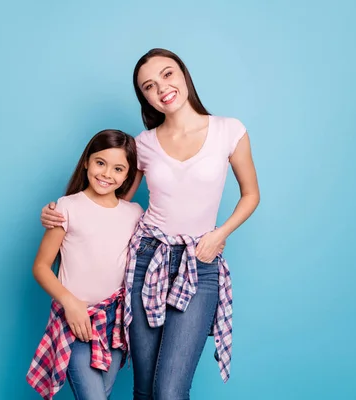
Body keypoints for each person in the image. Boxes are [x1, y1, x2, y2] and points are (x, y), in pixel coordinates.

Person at [39, 48, 260, 399]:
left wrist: (221, 234)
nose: (162, 88)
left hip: (199, 264)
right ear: (145, 97)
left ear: (184, 74)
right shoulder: (144, 144)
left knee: (169, 390)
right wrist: (60, 215)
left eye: (168, 75)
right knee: (144, 388)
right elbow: (112, 202)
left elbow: (251, 195)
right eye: (149, 86)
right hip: (146, 261)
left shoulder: (228, 130)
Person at [26, 129, 145, 400]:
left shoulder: (134, 214)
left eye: (118, 169)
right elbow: (41, 266)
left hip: (114, 322)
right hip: (75, 320)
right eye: (100, 163)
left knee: (101, 394)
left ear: (128, 175)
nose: (106, 174)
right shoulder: (66, 208)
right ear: (86, 162)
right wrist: (71, 303)